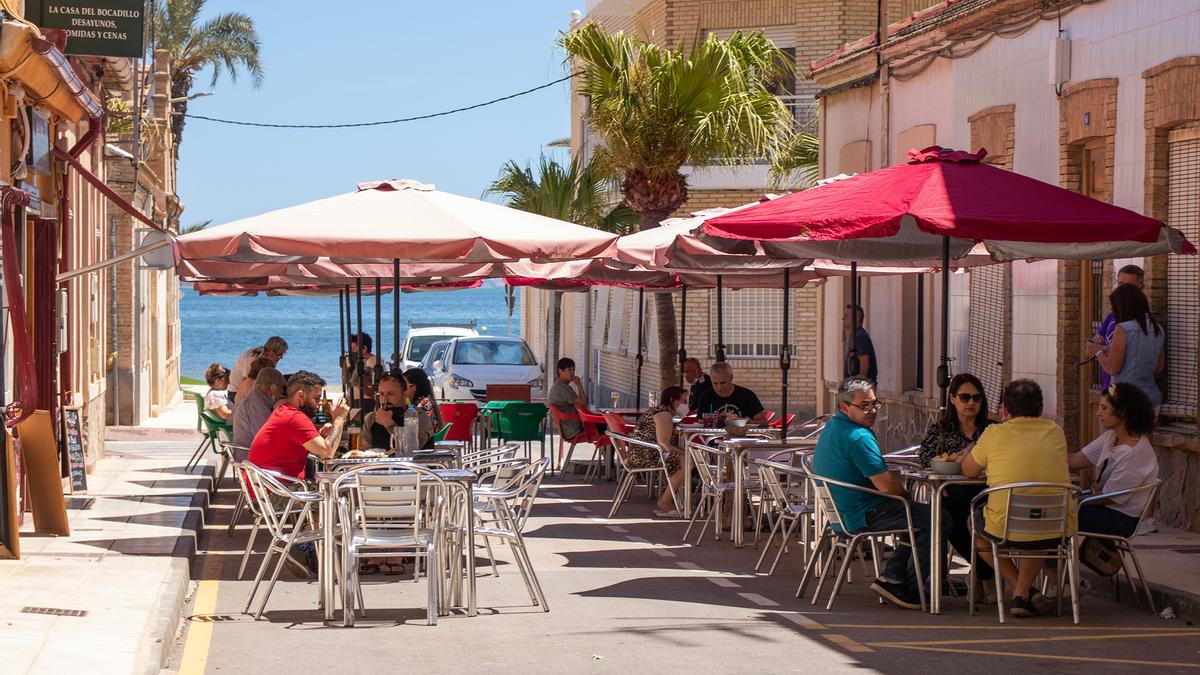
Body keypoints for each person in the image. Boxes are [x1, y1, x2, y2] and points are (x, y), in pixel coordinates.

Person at [812, 378, 944, 610]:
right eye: (864, 405)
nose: (872, 410)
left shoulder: (833, 426)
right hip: (862, 514)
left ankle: (893, 576)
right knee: (936, 519)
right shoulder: (859, 437)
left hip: (842, 513)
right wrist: (906, 497)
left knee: (918, 516)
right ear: (845, 407)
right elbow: (887, 487)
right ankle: (912, 588)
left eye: (875, 404)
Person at [962, 379, 1076, 618]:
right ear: (1041, 410)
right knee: (1038, 526)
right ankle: (1024, 594)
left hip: (1005, 524)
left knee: (974, 526)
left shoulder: (994, 433)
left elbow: (969, 471)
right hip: (1054, 524)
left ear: (1005, 411)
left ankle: (1020, 590)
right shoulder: (1055, 431)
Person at [247, 371, 349, 577]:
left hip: (266, 492)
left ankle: (311, 547)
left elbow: (317, 449)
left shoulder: (284, 412)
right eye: (316, 398)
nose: (319, 404)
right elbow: (327, 452)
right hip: (275, 495)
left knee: (328, 494)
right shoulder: (295, 418)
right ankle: (304, 547)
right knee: (339, 498)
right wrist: (339, 419)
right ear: (301, 395)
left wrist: (318, 438)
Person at [918, 373, 995, 598]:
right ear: (952, 399)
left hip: (989, 492)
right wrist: (959, 457)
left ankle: (984, 573)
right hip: (954, 492)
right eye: (965, 397)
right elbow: (926, 460)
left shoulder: (993, 430)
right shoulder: (941, 431)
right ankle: (986, 572)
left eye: (977, 398)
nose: (971, 403)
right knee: (945, 515)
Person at [1068, 382, 1159, 538]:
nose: (1098, 413)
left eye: (1104, 408)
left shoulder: (1135, 452)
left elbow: (1110, 497)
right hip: (1102, 506)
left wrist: (1072, 501)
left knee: (1057, 516)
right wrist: (1046, 454)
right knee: (1052, 512)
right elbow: (1076, 460)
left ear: (1122, 412)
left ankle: (1047, 560)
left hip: (1121, 517)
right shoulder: (1111, 437)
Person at [1084, 283, 1165, 408]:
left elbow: (1112, 369)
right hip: (1151, 398)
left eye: (1115, 307)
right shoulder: (1157, 328)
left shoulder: (1123, 329)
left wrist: (1098, 352)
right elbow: (1158, 368)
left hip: (1125, 400)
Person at [630, 386, 688, 517]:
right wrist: (684, 452)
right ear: (674, 401)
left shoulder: (660, 411)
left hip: (644, 452)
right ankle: (665, 501)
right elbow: (664, 444)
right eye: (684, 401)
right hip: (646, 455)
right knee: (688, 460)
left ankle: (673, 499)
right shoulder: (664, 414)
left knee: (687, 458)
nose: (686, 405)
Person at [1090, 264, 1145, 390]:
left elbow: (1113, 367)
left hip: (1128, 393)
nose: (1121, 291)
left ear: (1140, 288)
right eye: (1120, 284)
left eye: (1128, 287)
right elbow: (1090, 348)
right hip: (1107, 389)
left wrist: (1099, 350)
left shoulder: (1144, 325)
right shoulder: (1111, 317)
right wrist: (1095, 340)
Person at [361, 371, 434, 451]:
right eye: (381, 394)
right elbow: (365, 453)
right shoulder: (372, 419)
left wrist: (389, 423)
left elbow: (411, 448)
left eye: (390, 394)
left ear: (404, 394)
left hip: (413, 463)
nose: (385, 399)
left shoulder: (418, 416)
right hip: (381, 463)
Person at [695, 362, 767, 425]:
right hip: (713, 438)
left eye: (723, 383)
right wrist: (710, 420)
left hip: (741, 438)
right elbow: (699, 420)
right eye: (715, 383)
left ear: (731, 378)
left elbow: (763, 421)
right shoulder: (706, 396)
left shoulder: (747, 395)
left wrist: (746, 422)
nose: (719, 387)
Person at [232, 367, 285, 449]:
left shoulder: (257, 398)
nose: (282, 391)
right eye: (281, 387)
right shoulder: (256, 403)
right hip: (248, 454)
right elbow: (265, 435)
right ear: (271, 387)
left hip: (250, 449)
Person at [228, 336, 288, 403]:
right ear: (271, 352)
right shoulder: (253, 358)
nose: (281, 358)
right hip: (235, 393)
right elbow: (246, 383)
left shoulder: (267, 358)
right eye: (279, 355)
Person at [547, 357, 588, 441]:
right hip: (574, 430)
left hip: (567, 430)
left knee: (608, 429)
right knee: (609, 429)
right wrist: (579, 384)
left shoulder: (557, 386)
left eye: (574, 370)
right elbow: (583, 403)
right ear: (560, 371)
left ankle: (607, 454)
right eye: (569, 370)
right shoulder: (563, 388)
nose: (572, 373)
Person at [843, 304, 877, 382]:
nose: (843, 318)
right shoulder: (854, 336)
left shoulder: (860, 336)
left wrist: (857, 385)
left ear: (856, 318)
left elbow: (864, 363)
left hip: (862, 389)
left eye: (846, 315)